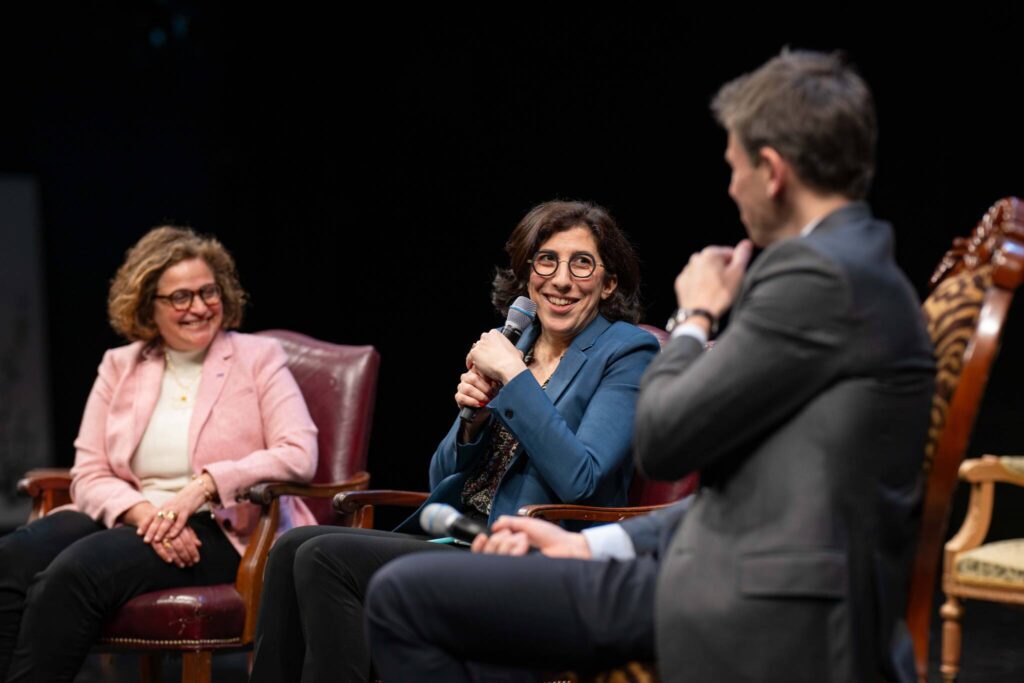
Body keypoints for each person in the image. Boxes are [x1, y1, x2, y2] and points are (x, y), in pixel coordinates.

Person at [364, 50, 936, 682]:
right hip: (739, 566)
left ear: (771, 171)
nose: (731, 188)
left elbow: (664, 443)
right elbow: (746, 496)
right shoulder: (859, 270)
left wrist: (692, 319)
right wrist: (590, 544)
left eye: (734, 168)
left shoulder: (813, 278)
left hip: (757, 597)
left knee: (403, 597)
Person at [248, 199, 660, 682]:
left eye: (582, 263)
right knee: (291, 547)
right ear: (528, 275)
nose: (561, 279)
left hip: (529, 555)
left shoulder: (626, 351)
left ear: (608, 283)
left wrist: (513, 379)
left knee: (324, 558)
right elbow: (441, 478)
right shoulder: (518, 343)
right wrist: (473, 423)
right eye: (546, 260)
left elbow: (582, 479)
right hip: (458, 534)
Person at [0, 226, 318, 682]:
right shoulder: (120, 365)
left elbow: (299, 451)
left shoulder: (258, 357)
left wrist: (202, 487)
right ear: (149, 305)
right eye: (181, 297)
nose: (199, 307)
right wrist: (144, 511)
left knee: (75, 574)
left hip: (223, 525)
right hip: (134, 513)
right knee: (12, 557)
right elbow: (89, 470)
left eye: (209, 292)